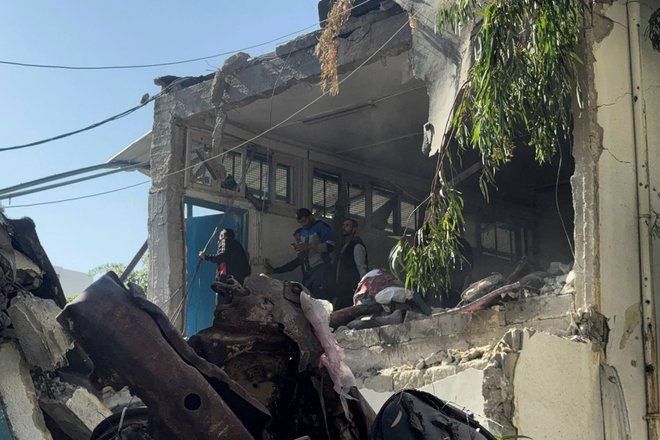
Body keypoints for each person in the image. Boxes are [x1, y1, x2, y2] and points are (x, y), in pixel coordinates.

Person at [268, 208, 335, 300]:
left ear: (311, 217)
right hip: (307, 274)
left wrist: (310, 246)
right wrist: (276, 270)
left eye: (304, 221)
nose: (303, 225)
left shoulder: (321, 226)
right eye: (300, 222)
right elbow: (299, 260)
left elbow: (331, 246)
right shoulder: (301, 232)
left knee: (321, 303)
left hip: (321, 271)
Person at [334, 218, 368, 309]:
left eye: (347, 225)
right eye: (343, 225)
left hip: (351, 290)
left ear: (354, 229)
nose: (344, 228)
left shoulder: (357, 246)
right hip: (342, 289)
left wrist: (363, 289)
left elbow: (362, 269)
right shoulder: (344, 246)